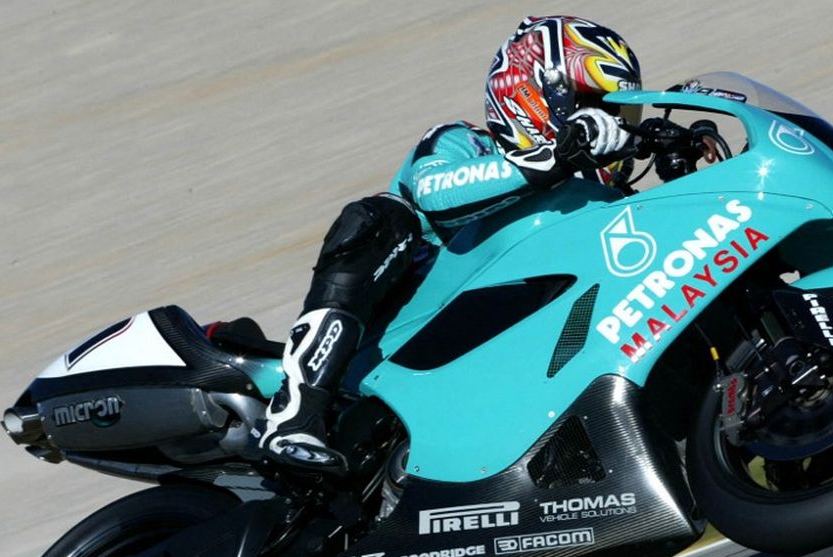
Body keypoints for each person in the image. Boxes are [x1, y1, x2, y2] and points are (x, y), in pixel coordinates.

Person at [255, 15, 643, 472]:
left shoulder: (585, 202)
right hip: (399, 315)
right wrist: (554, 157)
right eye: (593, 106)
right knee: (380, 218)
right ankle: (294, 413)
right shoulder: (462, 142)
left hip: (488, 351)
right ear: (538, 92)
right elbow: (434, 194)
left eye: (619, 114)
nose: (609, 124)